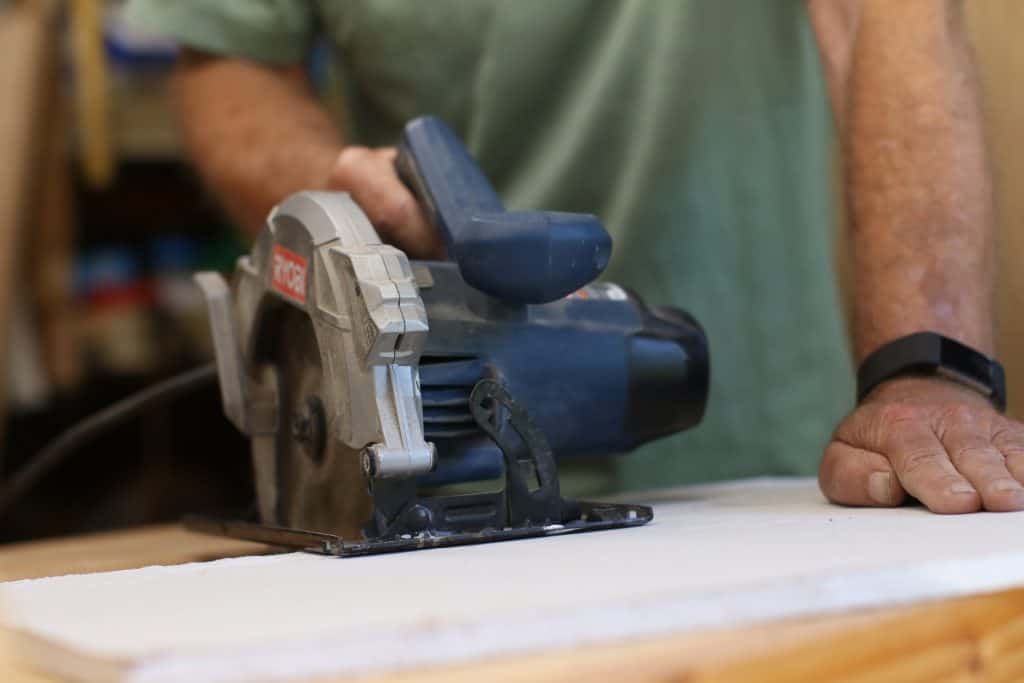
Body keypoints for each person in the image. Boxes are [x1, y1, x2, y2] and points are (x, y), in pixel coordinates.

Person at [127, 0, 1024, 513]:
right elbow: (231, 60)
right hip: (422, 450)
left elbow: (889, 16)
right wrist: (340, 203)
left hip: (767, 461)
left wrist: (926, 366)